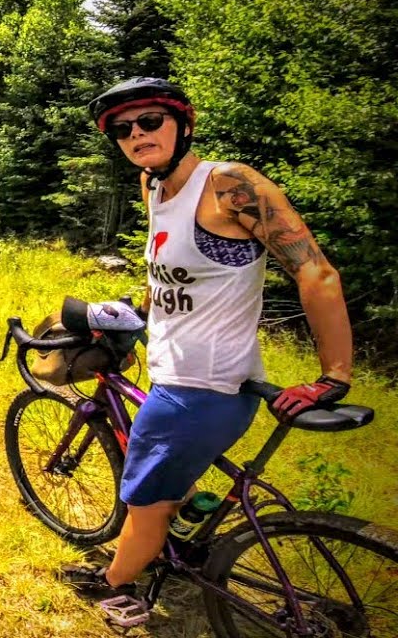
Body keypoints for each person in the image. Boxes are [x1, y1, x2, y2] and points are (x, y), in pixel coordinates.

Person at [60, 77, 354, 600]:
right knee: (167, 484)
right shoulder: (153, 187)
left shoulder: (229, 186)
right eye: (124, 130)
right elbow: (172, 272)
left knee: (143, 500)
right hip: (173, 374)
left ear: (183, 125)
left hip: (201, 389)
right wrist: (138, 310)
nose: (137, 135)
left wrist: (334, 375)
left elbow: (317, 274)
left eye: (151, 121)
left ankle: (115, 584)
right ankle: (181, 511)